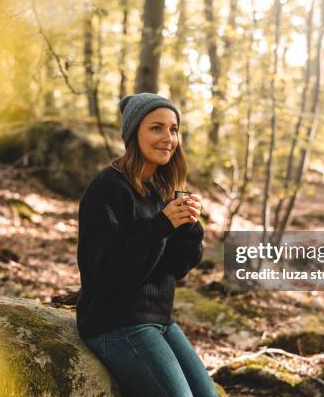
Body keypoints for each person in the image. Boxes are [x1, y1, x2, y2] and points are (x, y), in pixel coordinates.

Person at [75, 92, 218, 397]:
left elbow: (176, 268)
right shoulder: (108, 188)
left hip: (160, 320)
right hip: (115, 323)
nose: (168, 137)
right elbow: (107, 274)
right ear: (133, 133)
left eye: (173, 129)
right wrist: (161, 227)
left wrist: (190, 229)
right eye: (156, 128)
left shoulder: (160, 190)